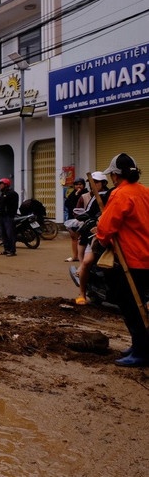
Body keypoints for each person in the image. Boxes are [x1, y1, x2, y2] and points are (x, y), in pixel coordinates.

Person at [95, 153, 149, 367]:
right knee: (140, 304)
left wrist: (101, 239)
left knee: (130, 305)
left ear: (116, 176)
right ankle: (139, 345)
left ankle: (142, 351)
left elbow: (105, 228)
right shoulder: (145, 192)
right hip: (146, 258)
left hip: (132, 259)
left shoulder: (120, 194)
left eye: (112, 176)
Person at [74, 171, 110, 305]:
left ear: (104, 183)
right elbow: (87, 213)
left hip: (116, 235)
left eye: (96, 182)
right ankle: (82, 293)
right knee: (87, 261)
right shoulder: (95, 198)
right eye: (92, 183)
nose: (93, 185)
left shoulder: (112, 195)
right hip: (98, 235)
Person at [0, 178, 19, 256]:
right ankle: (6, 249)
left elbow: (13, 206)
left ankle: (12, 250)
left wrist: (9, 214)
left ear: (6, 185)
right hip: (1, 217)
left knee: (10, 234)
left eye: (1, 184)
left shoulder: (12, 194)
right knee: (3, 234)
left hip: (8, 217)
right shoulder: (3, 194)